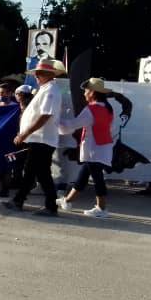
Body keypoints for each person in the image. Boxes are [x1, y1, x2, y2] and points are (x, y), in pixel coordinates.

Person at [4, 58, 64, 215]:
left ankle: (42, 205)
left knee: (38, 172)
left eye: (39, 74)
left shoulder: (50, 90)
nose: (36, 76)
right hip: (40, 139)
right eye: (36, 74)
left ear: (49, 74)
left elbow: (45, 116)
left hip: (42, 139)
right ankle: (21, 200)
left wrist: (24, 133)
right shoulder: (47, 89)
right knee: (35, 172)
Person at [56, 78, 116, 218]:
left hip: (93, 148)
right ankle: (68, 201)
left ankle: (101, 208)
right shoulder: (107, 108)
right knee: (83, 177)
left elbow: (72, 125)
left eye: (86, 91)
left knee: (97, 178)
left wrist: (56, 121)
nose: (84, 93)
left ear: (93, 93)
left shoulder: (91, 109)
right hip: (103, 147)